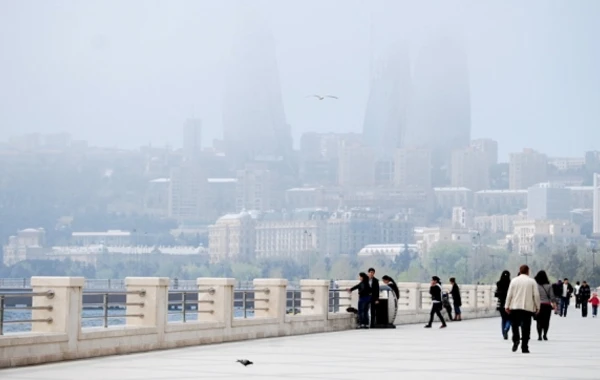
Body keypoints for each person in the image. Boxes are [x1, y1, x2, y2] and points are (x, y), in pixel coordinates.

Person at [505, 265, 541, 354]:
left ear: (520, 271)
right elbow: (536, 295)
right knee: (526, 328)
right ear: (528, 271)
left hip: (515, 307)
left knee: (515, 326)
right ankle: (525, 347)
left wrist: (507, 306)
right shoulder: (532, 282)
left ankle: (516, 340)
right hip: (527, 308)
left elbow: (509, 294)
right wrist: (537, 307)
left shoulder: (514, 281)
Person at [534, 270, 556, 341]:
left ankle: (539, 335)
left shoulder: (535, 286)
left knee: (539, 321)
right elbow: (552, 296)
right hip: (547, 306)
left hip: (538, 305)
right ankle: (545, 335)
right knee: (546, 321)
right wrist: (554, 305)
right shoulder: (549, 286)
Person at [495, 270, 512, 339]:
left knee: (503, 319)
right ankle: (506, 329)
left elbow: (496, 294)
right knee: (509, 318)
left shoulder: (498, 283)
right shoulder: (510, 283)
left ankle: (503, 333)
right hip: (509, 303)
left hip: (501, 304)